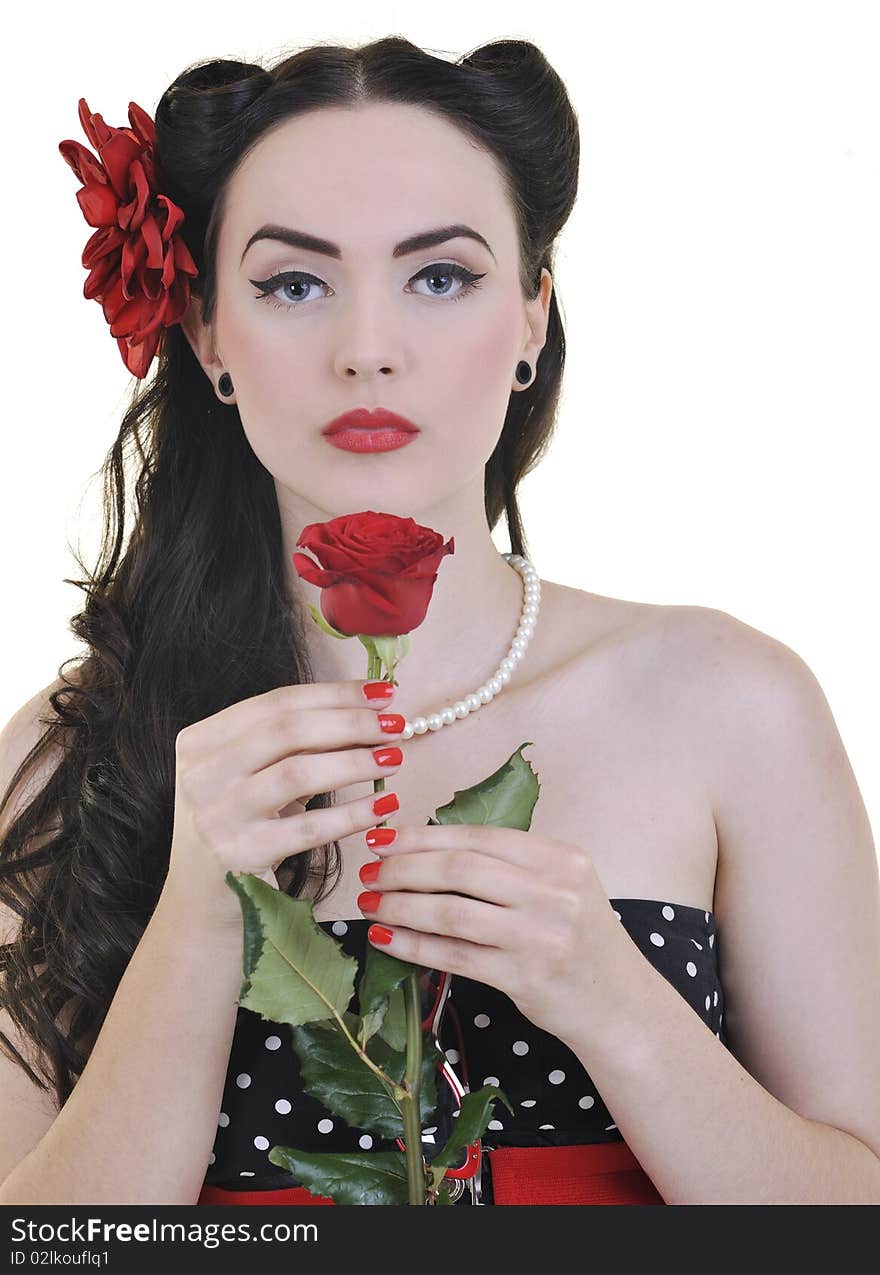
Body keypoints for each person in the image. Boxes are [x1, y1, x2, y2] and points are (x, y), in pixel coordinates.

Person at [1, 35, 879, 1208]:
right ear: (208, 334)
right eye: (293, 284)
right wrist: (202, 922)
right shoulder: (72, 759)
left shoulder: (731, 702)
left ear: (529, 318)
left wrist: (612, 998)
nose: (368, 350)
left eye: (441, 276)